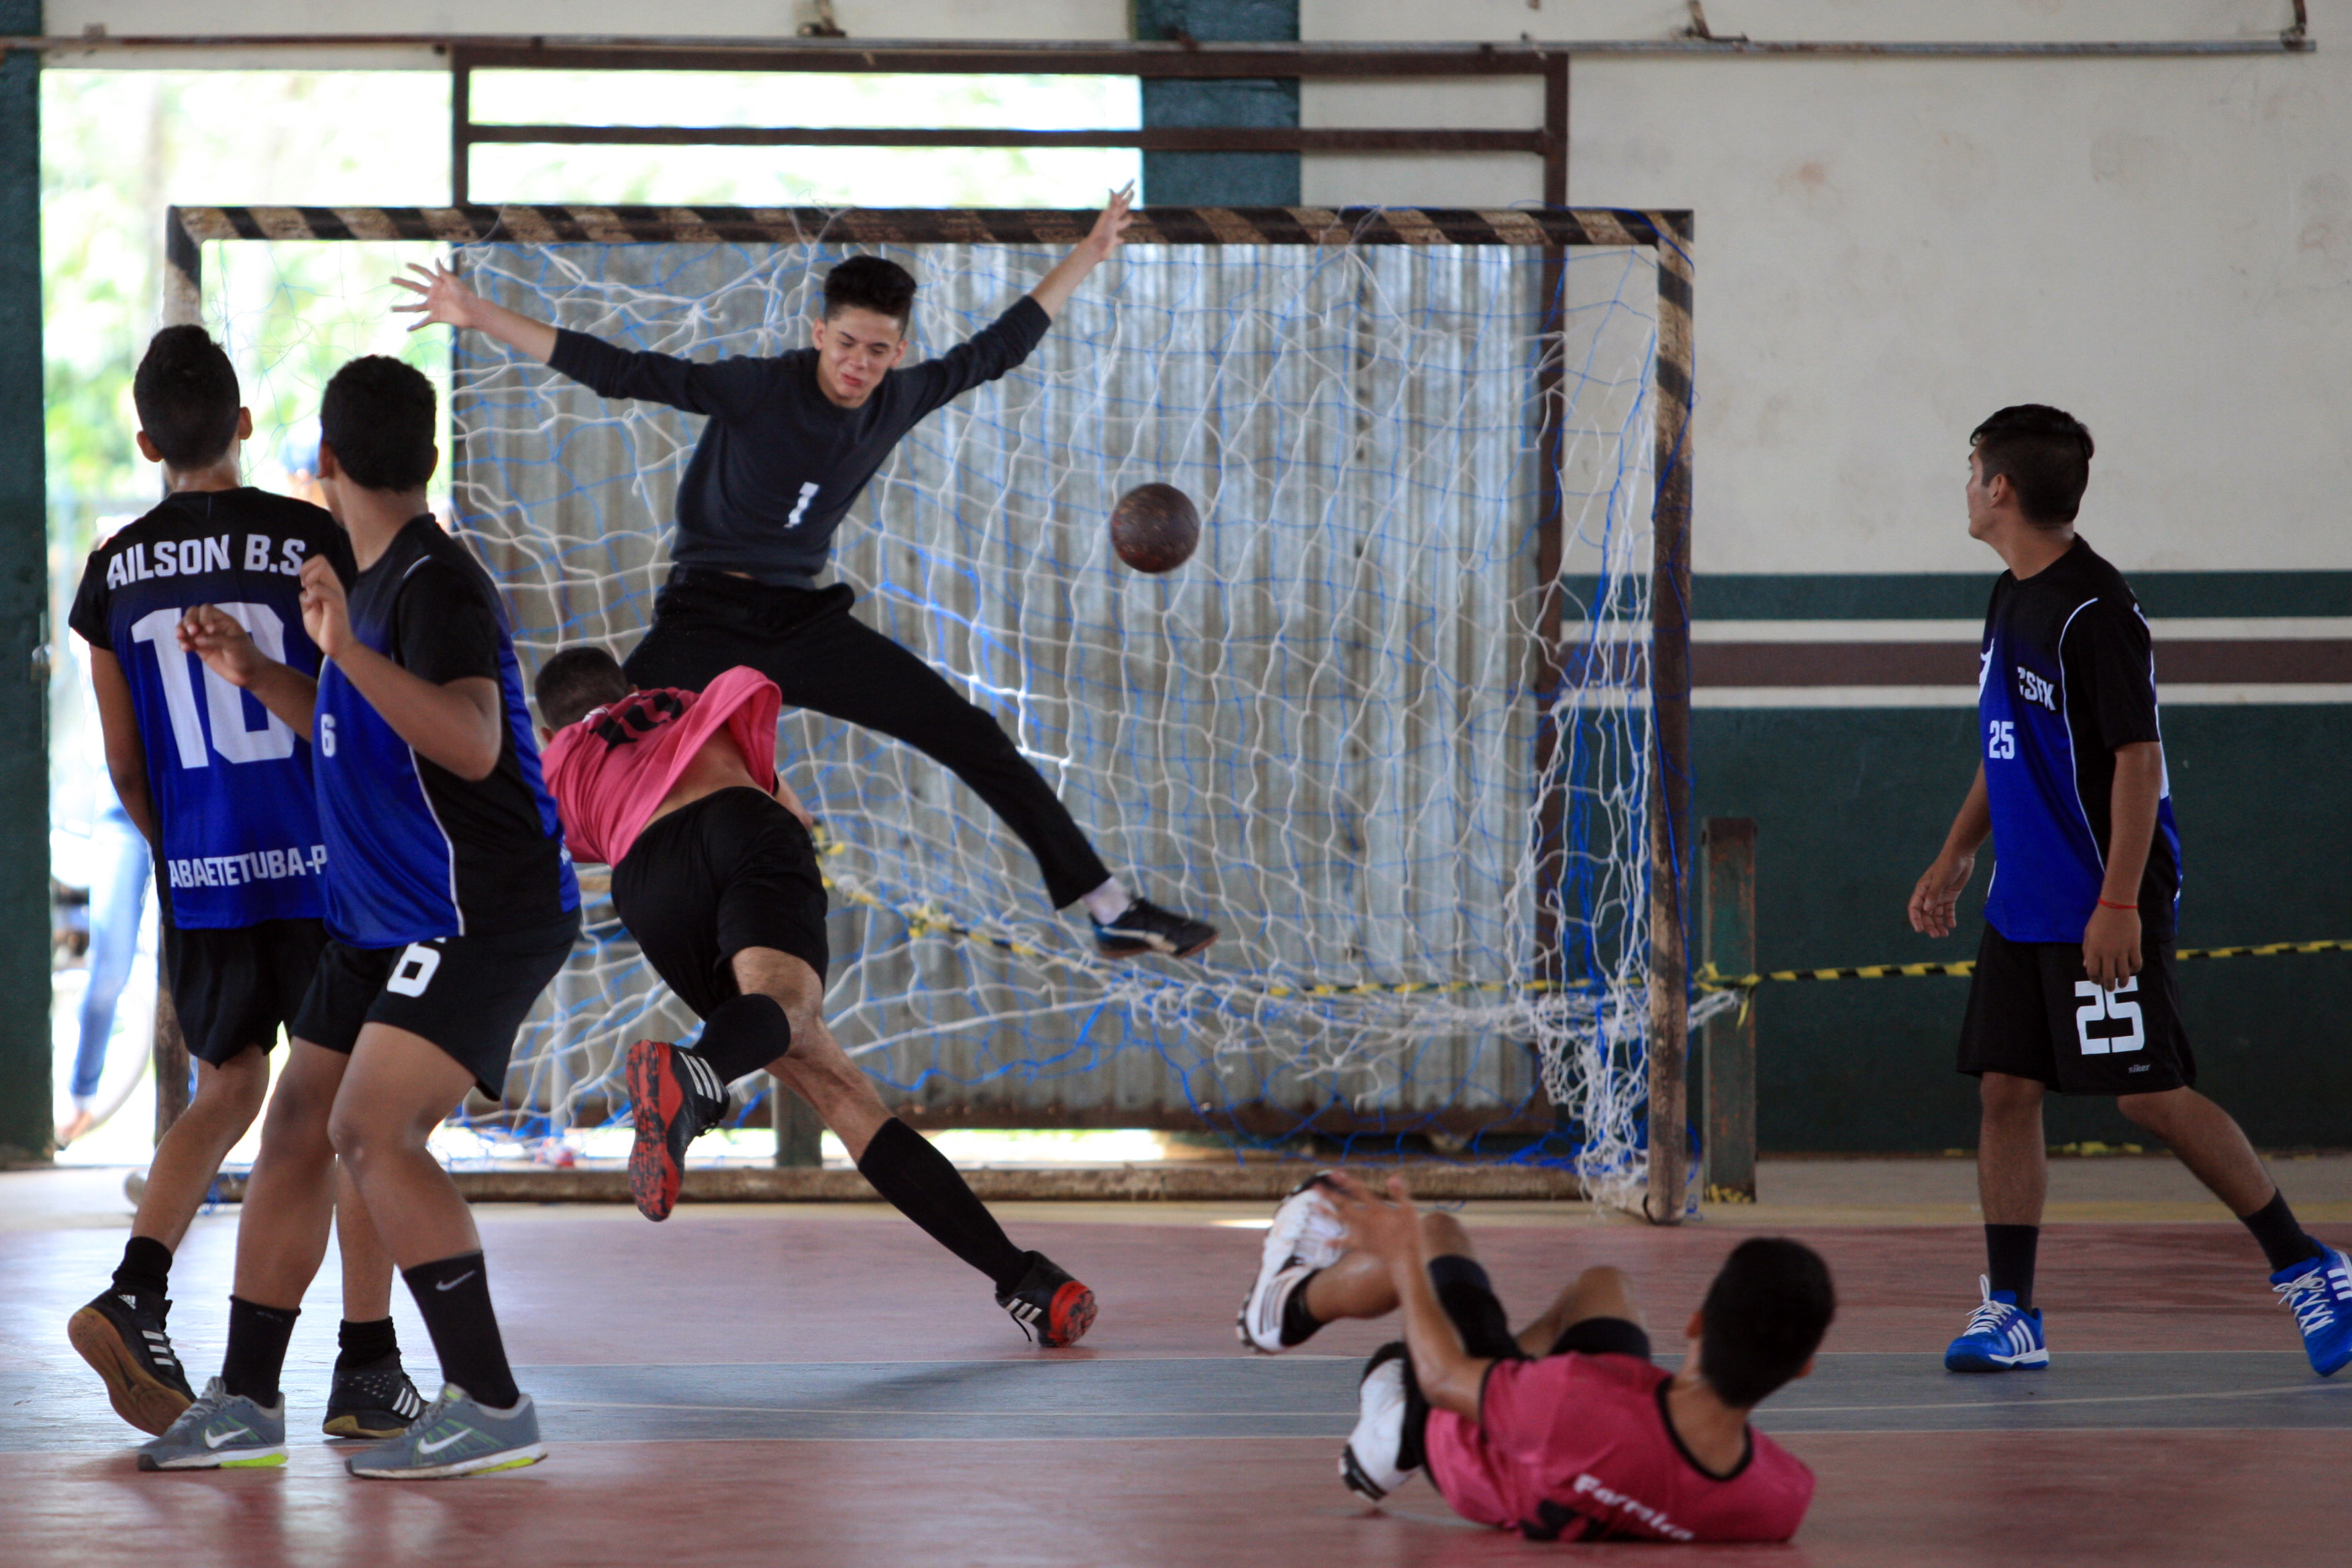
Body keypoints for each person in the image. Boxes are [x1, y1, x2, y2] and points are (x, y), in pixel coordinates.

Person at [389, 187, 1217, 963]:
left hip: (804, 624)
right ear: (820, 332)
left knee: (974, 736)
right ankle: (483, 902)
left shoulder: (903, 395)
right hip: (705, 619)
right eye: (847, 343)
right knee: (595, 750)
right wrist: (475, 311)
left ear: (900, 351)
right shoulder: (757, 388)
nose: (859, 363)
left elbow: (1002, 345)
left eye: (878, 350)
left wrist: (1090, 251)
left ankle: (1110, 909)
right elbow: (623, 371)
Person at [138, 356, 581, 1477]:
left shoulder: (434, 582)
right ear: (428, 453)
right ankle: (247, 1399)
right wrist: (261, 672)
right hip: (379, 917)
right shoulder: (364, 581)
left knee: (373, 1133)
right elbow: (359, 720)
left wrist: (341, 653)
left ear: (326, 460)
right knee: (296, 1126)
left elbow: (469, 740)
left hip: (473, 912)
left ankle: (491, 1402)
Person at [1908, 405, 2352, 1377]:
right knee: (2006, 1089)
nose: (1965, 485)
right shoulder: (2008, 596)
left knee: (2147, 1096)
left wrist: (2115, 906)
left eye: (1971, 469)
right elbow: (2006, 742)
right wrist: (1955, 853)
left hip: (2099, 896)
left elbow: (2138, 763)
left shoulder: (2095, 611)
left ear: (1999, 487)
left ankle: (2307, 1264)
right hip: (2023, 898)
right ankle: (2012, 1312)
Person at [62, 326, 420, 1443]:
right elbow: (362, 693)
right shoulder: (312, 535)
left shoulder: (112, 572)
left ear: (145, 443)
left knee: (227, 1088)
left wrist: (179, 851)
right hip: (327, 867)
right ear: (247, 425)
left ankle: (137, 1289)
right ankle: (366, 1362)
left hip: (205, 865)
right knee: (354, 1111)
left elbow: (125, 761)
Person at [530, 646, 1097, 1347]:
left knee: (835, 1086)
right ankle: (698, 1072)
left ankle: (1026, 1281)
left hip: (646, 879)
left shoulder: (553, 766)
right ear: (631, 689)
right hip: (740, 823)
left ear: (548, 730)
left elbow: (526, 867)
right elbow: (791, 810)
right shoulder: (681, 700)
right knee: (790, 1010)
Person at [1235, 1173, 1831, 1544]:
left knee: (1436, 1233)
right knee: (1603, 1286)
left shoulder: (1572, 1397)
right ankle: (1388, 1433)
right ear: (1803, 1367)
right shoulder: (1783, 1496)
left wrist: (1403, 1257)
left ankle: (1285, 1311)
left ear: (1695, 1322)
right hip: (1587, 1445)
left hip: (1464, 1441)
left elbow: (1442, 1379)